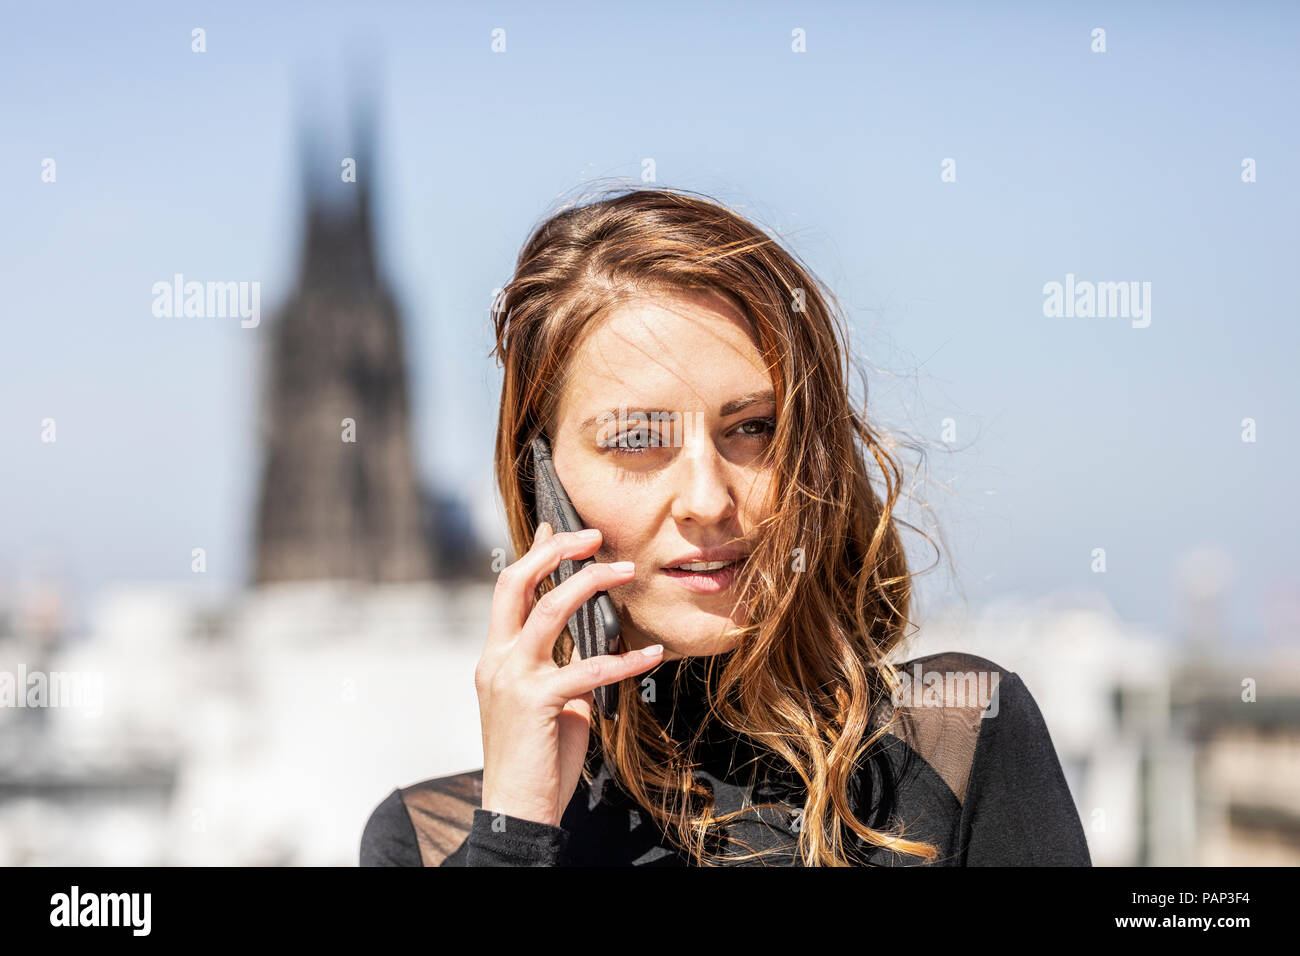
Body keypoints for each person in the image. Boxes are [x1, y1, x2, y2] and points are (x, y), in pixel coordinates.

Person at [360, 186, 1092, 867]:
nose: (708, 500)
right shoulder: (430, 838)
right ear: (542, 480)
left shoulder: (958, 739)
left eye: (751, 428)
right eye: (638, 438)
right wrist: (512, 834)